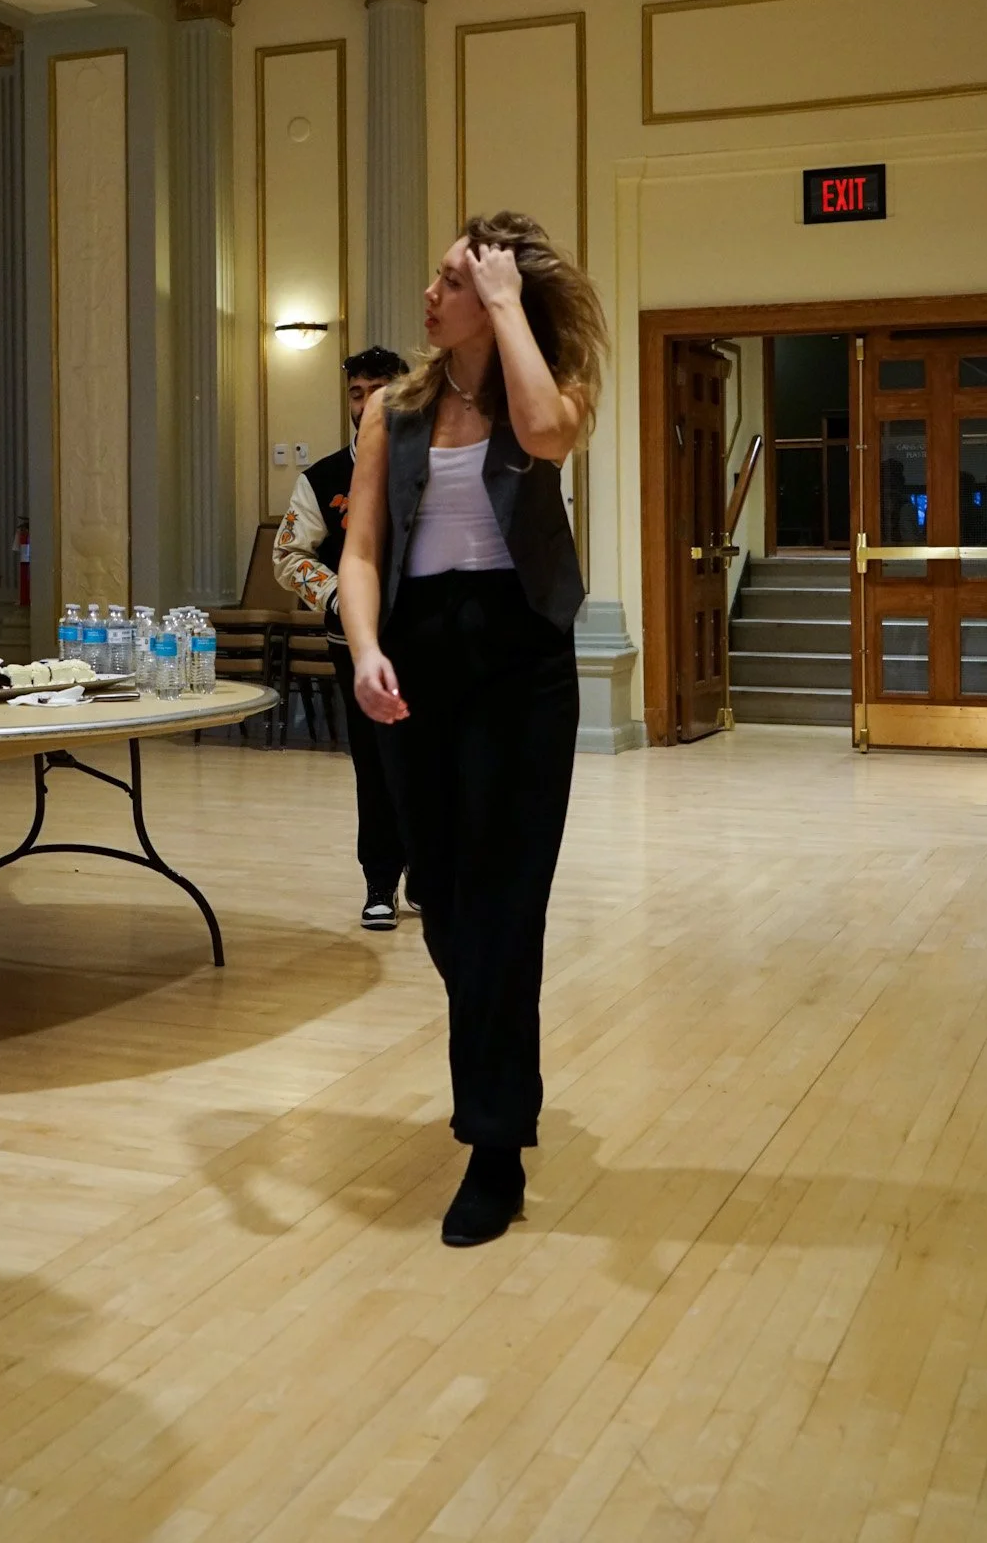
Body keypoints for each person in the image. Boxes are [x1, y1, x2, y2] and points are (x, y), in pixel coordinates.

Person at [338, 211, 606, 1249]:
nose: (429, 295)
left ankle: (494, 1142)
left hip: (520, 660)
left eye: (453, 280)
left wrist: (505, 305)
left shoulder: (551, 383)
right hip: (417, 652)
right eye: (440, 278)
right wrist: (364, 647)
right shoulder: (393, 412)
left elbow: (544, 434)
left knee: (504, 902)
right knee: (444, 901)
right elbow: (361, 548)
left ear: (497, 293)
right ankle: (497, 1070)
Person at [273, 346, 410, 930]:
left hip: (427, 641)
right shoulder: (322, 478)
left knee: (431, 763)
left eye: (380, 390)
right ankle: (379, 882)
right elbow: (288, 554)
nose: (367, 403)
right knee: (375, 767)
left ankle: (428, 875)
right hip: (353, 646)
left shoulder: (431, 463)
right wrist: (342, 598)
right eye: (358, 393)